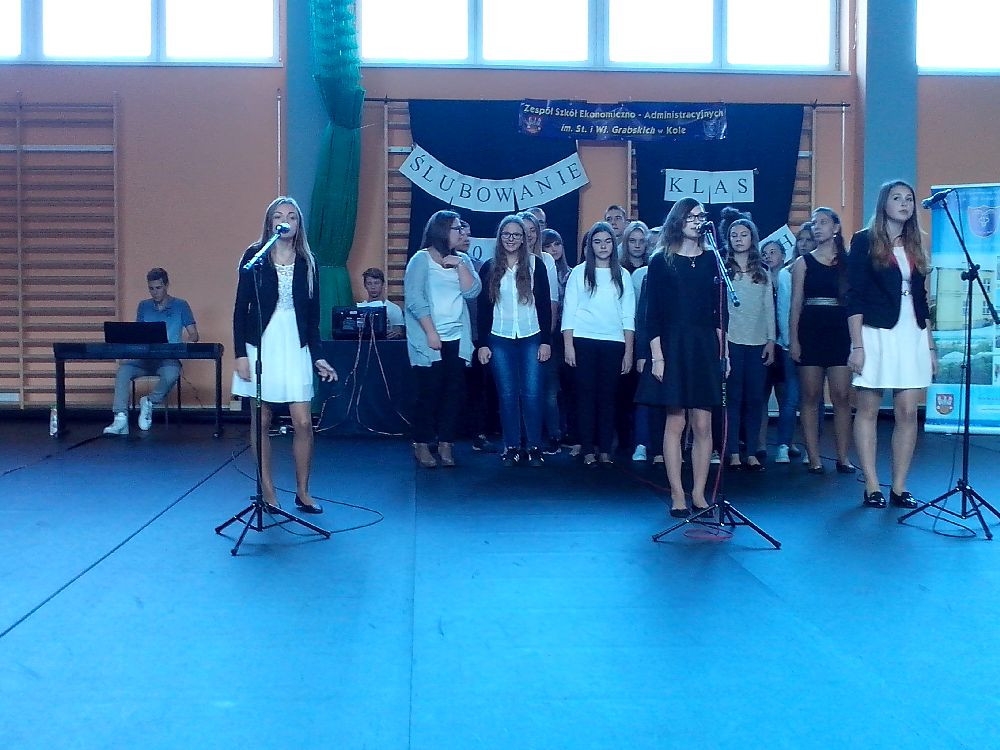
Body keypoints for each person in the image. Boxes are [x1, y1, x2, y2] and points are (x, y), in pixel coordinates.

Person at [232, 196, 338, 514]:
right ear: (270, 223)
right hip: (261, 343)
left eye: (292, 216)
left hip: (295, 344)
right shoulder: (255, 257)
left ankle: (303, 492)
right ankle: (267, 491)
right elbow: (240, 309)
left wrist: (318, 356)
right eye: (279, 216)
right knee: (262, 418)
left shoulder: (308, 261)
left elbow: (313, 318)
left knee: (303, 421)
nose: (285, 221)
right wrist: (240, 354)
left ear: (298, 224)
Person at [636, 198, 728, 517]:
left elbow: (719, 312)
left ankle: (699, 493)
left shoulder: (712, 260)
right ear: (678, 220)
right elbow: (652, 313)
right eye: (690, 216)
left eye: (700, 216)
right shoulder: (661, 260)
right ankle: (677, 493)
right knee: (676, 420)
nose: (696, 221)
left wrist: (724, 353)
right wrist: (657, 356)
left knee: (703, 422)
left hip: (704, 345)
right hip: (673, 343)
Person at [847, 180, 936, 509]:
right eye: (897, 198)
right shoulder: (864, 240)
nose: (904, 203)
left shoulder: (915, 243)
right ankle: (872, 485)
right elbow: (854, 294)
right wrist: (857, 345)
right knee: (868, 408)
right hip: (876, 331)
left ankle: (899, 486)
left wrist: (930, 347)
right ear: (884, 203)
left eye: (909, 198)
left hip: (911, 332)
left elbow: (922, 300)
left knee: (908, 411)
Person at [404, 210, 482, 468]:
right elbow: (415, 299)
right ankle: (422, 442)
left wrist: (459, 265)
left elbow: (472, 291)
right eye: (457, 228)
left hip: (457, 337)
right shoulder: (421, 260)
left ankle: (446, 443)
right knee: (429, 392)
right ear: (442, 231)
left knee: (453, 392)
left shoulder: (463, 259)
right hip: (429, 338)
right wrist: (431, 332)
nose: (462, 232)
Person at [476, 216, 552, 466]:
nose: (511, 239)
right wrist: (483, 343)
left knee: (532, 393)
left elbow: (544, 305)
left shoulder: (536, 265)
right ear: (500, 237)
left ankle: (534, 446)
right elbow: (483, 308)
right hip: (499, 337)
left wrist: (546, 341)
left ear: (524, 239)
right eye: (506, 234)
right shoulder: (489, 267)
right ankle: (511, 446)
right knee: (507, 394)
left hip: (532, 336)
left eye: (516, 235)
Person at [562, 221, 636, 465]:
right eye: (597, 241)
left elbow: (628, 316)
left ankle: (605, 449)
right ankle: (587, 450)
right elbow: (569, 311)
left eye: (607, 241)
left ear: (613, 245)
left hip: (613, 343)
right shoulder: (579, 272)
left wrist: (628, 351)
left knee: (608, 398)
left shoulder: (623, 275)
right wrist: (568, 345)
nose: (603, 246)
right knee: (585, 398)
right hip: (583, 341)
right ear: (590, 245)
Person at [789, 207, 855, 474]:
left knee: (841, 396)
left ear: (836, 228)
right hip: (811, 331)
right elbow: (795, 305)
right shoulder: (802, 262)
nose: (817, 227)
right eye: (814, 223)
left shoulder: (848, 263)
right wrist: (794, 340)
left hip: (841, 331)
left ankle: (843, 457)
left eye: (823, 222)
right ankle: (814, 458)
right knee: (810, 396)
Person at [103, 268, 199, 436]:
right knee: (123, 370)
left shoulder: (181, 305)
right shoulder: (144, 306)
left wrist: (185, 344)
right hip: (144, 357)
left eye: (158, 288)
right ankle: (120, 418)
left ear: (166, 285)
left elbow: (194, 335)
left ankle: (149, 402)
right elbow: (139, 333)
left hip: (168, 359)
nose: (155, 292)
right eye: (151, 288)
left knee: (172, 373)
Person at [722, 211, 774, 471]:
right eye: (734, 235)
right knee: (733, 398)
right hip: (731, 341)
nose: (738, 239)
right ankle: (732, 452)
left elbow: (769, 308)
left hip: (757, 342)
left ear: (752, 238)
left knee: (754, 399)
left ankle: (751, 451)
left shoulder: (762, 272)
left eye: (743, 235)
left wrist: (771, 340)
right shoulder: (722, 270)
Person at [541, 228, 571, 454]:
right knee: (550, 389)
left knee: (568, 388)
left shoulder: (573, 274)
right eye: (548, 246)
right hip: (550, 335)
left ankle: (569, 432)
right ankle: (554, 434)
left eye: (557, 244)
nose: (554, 249)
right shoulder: (542, 271)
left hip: (569, 337)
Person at [357, 267, 404, 338]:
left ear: (383, 284)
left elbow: (399, 330)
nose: (373, 287)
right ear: (365, 286)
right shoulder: (359, 309)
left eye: (376, 283)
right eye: (369, 283)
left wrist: (397, 332)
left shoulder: (394, 309)